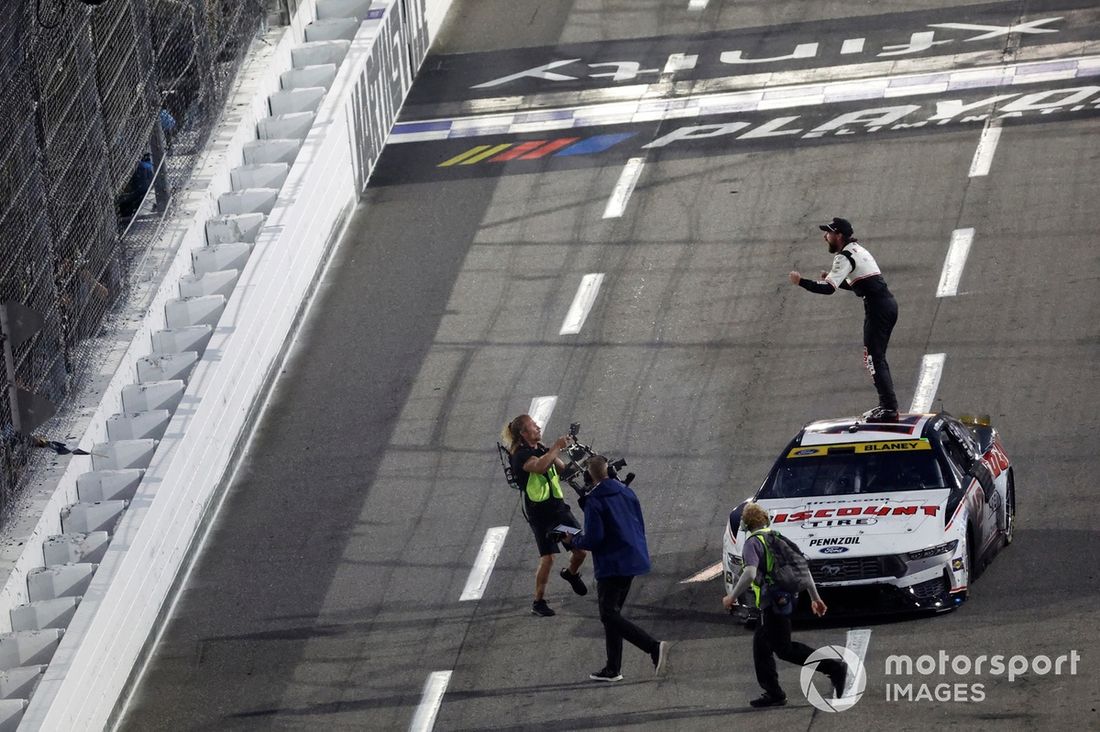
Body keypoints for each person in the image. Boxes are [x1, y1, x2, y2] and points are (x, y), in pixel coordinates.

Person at [722, 503, 846, 708]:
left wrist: (732, 596)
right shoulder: (778, 537)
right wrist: (815, 598)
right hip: (787, 597)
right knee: (761, 646)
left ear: (746, 523)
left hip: (772, 602)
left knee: (785, 649)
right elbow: (802, 568)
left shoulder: (753, 543)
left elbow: (750, 573)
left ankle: (833, 668)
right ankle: (773, 692)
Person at [562, 455, 669, 682]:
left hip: (612, 563)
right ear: (608, 470)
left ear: (589, 475)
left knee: (608, 615)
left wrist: (574, 541)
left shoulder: (595, 501)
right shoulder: (626, 491)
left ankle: (652, 647)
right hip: (632, 557)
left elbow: (594, 539)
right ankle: (613, 668)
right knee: (613, 614)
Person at [788, 216, 900, 422]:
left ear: (839, 236)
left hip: (877, 309)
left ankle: (889, 407)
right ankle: (886, 405)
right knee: (876, 358)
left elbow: (827, 289)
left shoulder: (843, 257)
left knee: (873, 359)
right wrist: (835, 280)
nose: (825, 237)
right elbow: (864, 283)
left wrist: (800, 281)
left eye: (829, 233)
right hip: (886, 305)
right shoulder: (859, 250)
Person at [502, 414, 589, 617]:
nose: (538, 427)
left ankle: (571, 574)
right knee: (548, 557)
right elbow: (540, 467)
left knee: (581, 550)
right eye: (533, 426)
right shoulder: (520, 456)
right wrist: (556, 447)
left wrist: (578, 461)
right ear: (523, 434)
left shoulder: (541, 449)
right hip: (540, 515)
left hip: (558, 510)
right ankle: (538, 602)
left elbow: (562, 470)